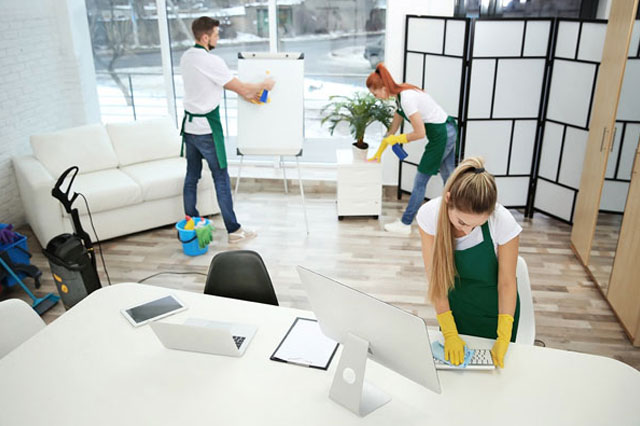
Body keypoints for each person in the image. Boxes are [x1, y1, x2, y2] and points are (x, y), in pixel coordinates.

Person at [417, 157, 522, 368]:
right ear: (448, 199)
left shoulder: (502, 221)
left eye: (476, 225)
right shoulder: (430, 216)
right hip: (454, 311)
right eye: (462, 222)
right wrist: (449, 331)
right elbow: (436, 278)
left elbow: (507, 283)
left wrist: (503, 335)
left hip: (495, 312)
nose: (466, 231)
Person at [180, 17, 275, 243]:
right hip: (206, 130)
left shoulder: (186, 57)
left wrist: (254, 90)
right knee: (221, 178)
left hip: (189, 128)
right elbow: (240, 88)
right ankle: (233, 231)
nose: (218, 38)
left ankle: (191, 224)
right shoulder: (211, 61)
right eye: (216, 34)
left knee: (191, 176)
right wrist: (265, 85)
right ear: (205, 37)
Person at [366, 63, 458, 236]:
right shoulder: (401, 95)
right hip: (447, 130)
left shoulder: (407, 99)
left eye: (375, 93)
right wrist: (378, 154)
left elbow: (420, 133)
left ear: (384, 88)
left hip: (442, 135)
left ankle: (405, 223)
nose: (376, 97)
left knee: (420, 180)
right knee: (449, 178)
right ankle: (457, 219)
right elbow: (391, 131)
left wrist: (399, 139)